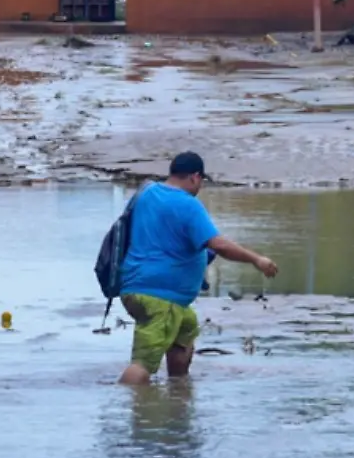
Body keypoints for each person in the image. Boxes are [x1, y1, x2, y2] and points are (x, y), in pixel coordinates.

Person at [118, 152, 278, 385]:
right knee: (143, 363)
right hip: (160, 298)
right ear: (195, 177)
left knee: (186, 328)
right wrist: (256, 260)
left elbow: (164, 236)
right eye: (201, 181)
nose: (200, 186)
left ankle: (178, 391)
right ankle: (122, 408)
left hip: (138, 290)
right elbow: (219, 245)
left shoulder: (147, 194)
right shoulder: (188, 205)